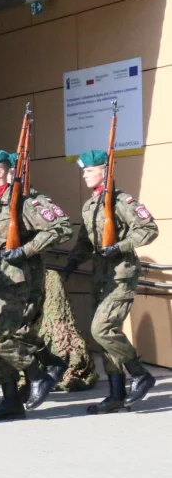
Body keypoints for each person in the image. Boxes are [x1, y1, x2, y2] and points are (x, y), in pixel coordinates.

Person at [0, 150, 71, 421]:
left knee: (1, 337)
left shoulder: (23, 202)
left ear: (1, 171)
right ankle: (11, 399)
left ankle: (38, 376)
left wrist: (25, 250)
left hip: (15, 278)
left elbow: (61, 228)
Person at [64, 149, 159, 413]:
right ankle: (116, 394)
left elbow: (149, 229)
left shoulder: (122, 201)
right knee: (105, 338)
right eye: (83, 171)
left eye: (89, 170)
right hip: (101, 276)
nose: (84, 176)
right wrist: (73, 261)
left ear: (105, 171)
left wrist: (119, 246)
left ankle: (140, 374)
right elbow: (85, 240)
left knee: (101, 329)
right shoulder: (89, 205)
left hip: (121, 275)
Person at [7, 153, 71, 387]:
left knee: (20, 326)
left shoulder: (35, 201)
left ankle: (45, 367)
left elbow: (62, 228)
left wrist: (27, 249)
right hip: (5, 276)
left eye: (12, 171)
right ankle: (33, 377)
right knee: (12, 329)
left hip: (29, 273)